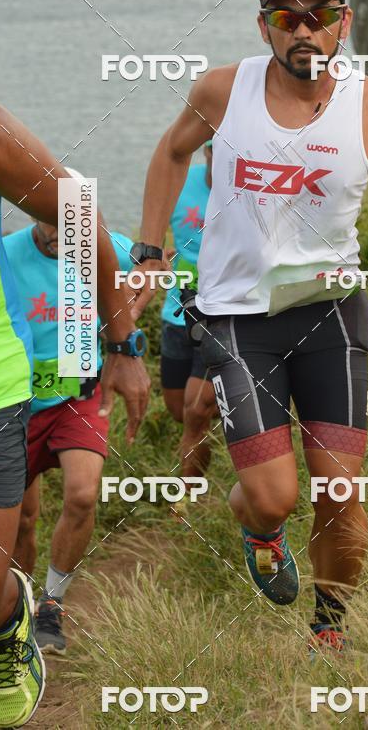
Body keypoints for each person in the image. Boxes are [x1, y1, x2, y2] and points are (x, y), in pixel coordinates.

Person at [131, 0, 368, 653]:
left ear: (343, 24)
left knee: (340, 492)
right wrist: (149, 249)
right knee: (272, 497)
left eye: (318, 16)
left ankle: (328, 630)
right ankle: (260, 532)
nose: (303, 31)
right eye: (285, 17)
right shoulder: (222, 90)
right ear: (263, 26)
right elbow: (171, 153)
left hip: (331, 312)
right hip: (238, 317)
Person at [0, 89, 150, 727]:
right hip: (28, 398)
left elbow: (82, 218)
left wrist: (123, 344)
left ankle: (18, 612)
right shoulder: (19, 251)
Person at [4, 169, 134, 656]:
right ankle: (18, 608)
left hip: (79, 392)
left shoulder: (100, 246)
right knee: (22, 520)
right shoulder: (4, 255)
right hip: (15, 403)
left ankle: (52, 605)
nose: (64, 232)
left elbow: (153, 264)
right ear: (33, 211)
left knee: (82, 494)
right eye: (53, 219)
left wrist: (127, 321)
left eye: (75, 221)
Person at [157, 142, 217, 493]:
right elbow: (153, 231)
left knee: (195, 412)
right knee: (179, 410)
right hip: (176, 313)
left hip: (220, 317)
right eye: (214, 150)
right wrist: (155, 255)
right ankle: (230, 415)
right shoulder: (180, 183)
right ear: (205, 151)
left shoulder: (247, 189)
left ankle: (188, 498)